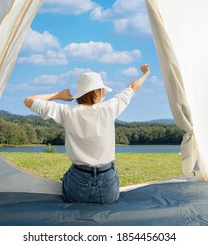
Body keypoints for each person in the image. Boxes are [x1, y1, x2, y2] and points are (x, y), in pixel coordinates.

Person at [24, 64, 150, 204]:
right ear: (97, 92)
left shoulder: (67, 112)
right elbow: (132, 87)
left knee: (69, 178)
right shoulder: (110, 108)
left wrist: (57, 96)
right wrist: (145, 74)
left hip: (77, 182)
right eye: (102, 91)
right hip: (107, 183)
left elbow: (29, 101)